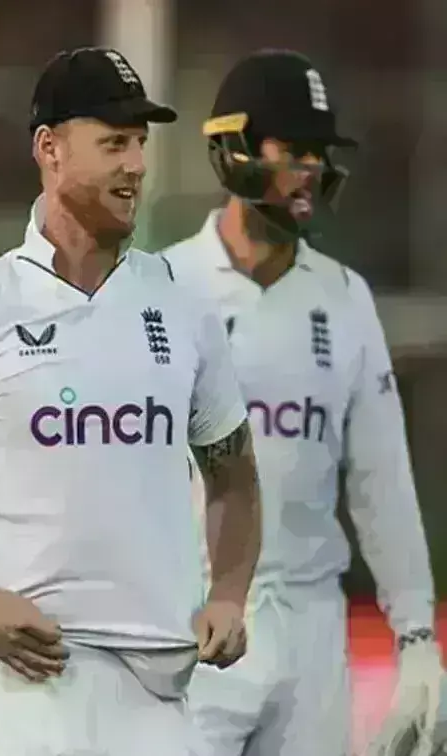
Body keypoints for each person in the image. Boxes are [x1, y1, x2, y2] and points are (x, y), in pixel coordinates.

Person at [0, 47, 265, 755]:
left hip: (160, 699)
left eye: (140, 143)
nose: (136, 165)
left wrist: (229, 593)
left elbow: (233, 474)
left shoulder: (182, 303)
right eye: (114, 143)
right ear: (49, 148)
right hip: (25, 694)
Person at [158, 49, 443, 756]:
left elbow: (381, 479)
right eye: (294, 149)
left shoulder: (344, 297)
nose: (311, 169)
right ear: (235, 149)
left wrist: (416, 637)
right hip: (192, 621)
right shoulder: (164, 286)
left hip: (312, 632)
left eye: (320, 153)